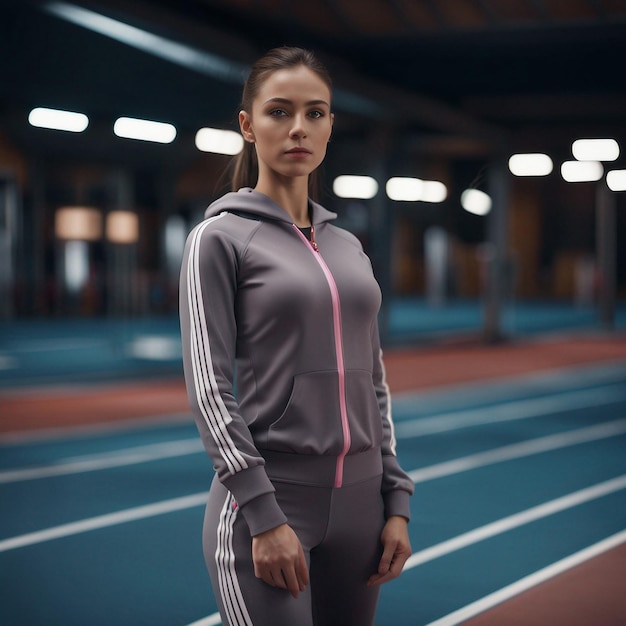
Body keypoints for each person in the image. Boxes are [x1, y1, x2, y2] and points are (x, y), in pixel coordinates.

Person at [179, 46, 414, 626]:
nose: (298, 129)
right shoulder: (220, 239)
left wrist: (396, 500)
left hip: (363, 506)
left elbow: (373, 382)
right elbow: (209, 388)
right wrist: (262, 512)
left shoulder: (349, 247)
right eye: (279, 112)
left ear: (331, 125)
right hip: (271, 503)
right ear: (248, 125)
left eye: (315, 113)